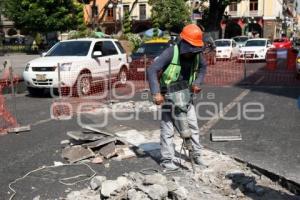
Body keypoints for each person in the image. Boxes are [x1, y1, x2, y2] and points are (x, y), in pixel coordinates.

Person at [147, 24, 207, 170]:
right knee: (168, 128)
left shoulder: (197, 54)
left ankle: (196, 155)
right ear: (184, 42)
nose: (192, 53)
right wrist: (156, 93)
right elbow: (152, 70)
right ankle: (167, 159)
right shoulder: (171, 52)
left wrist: (198, 82)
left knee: (192, 125)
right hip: (168, 94)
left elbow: (203, 68)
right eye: (191, 49)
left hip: (186, 94)